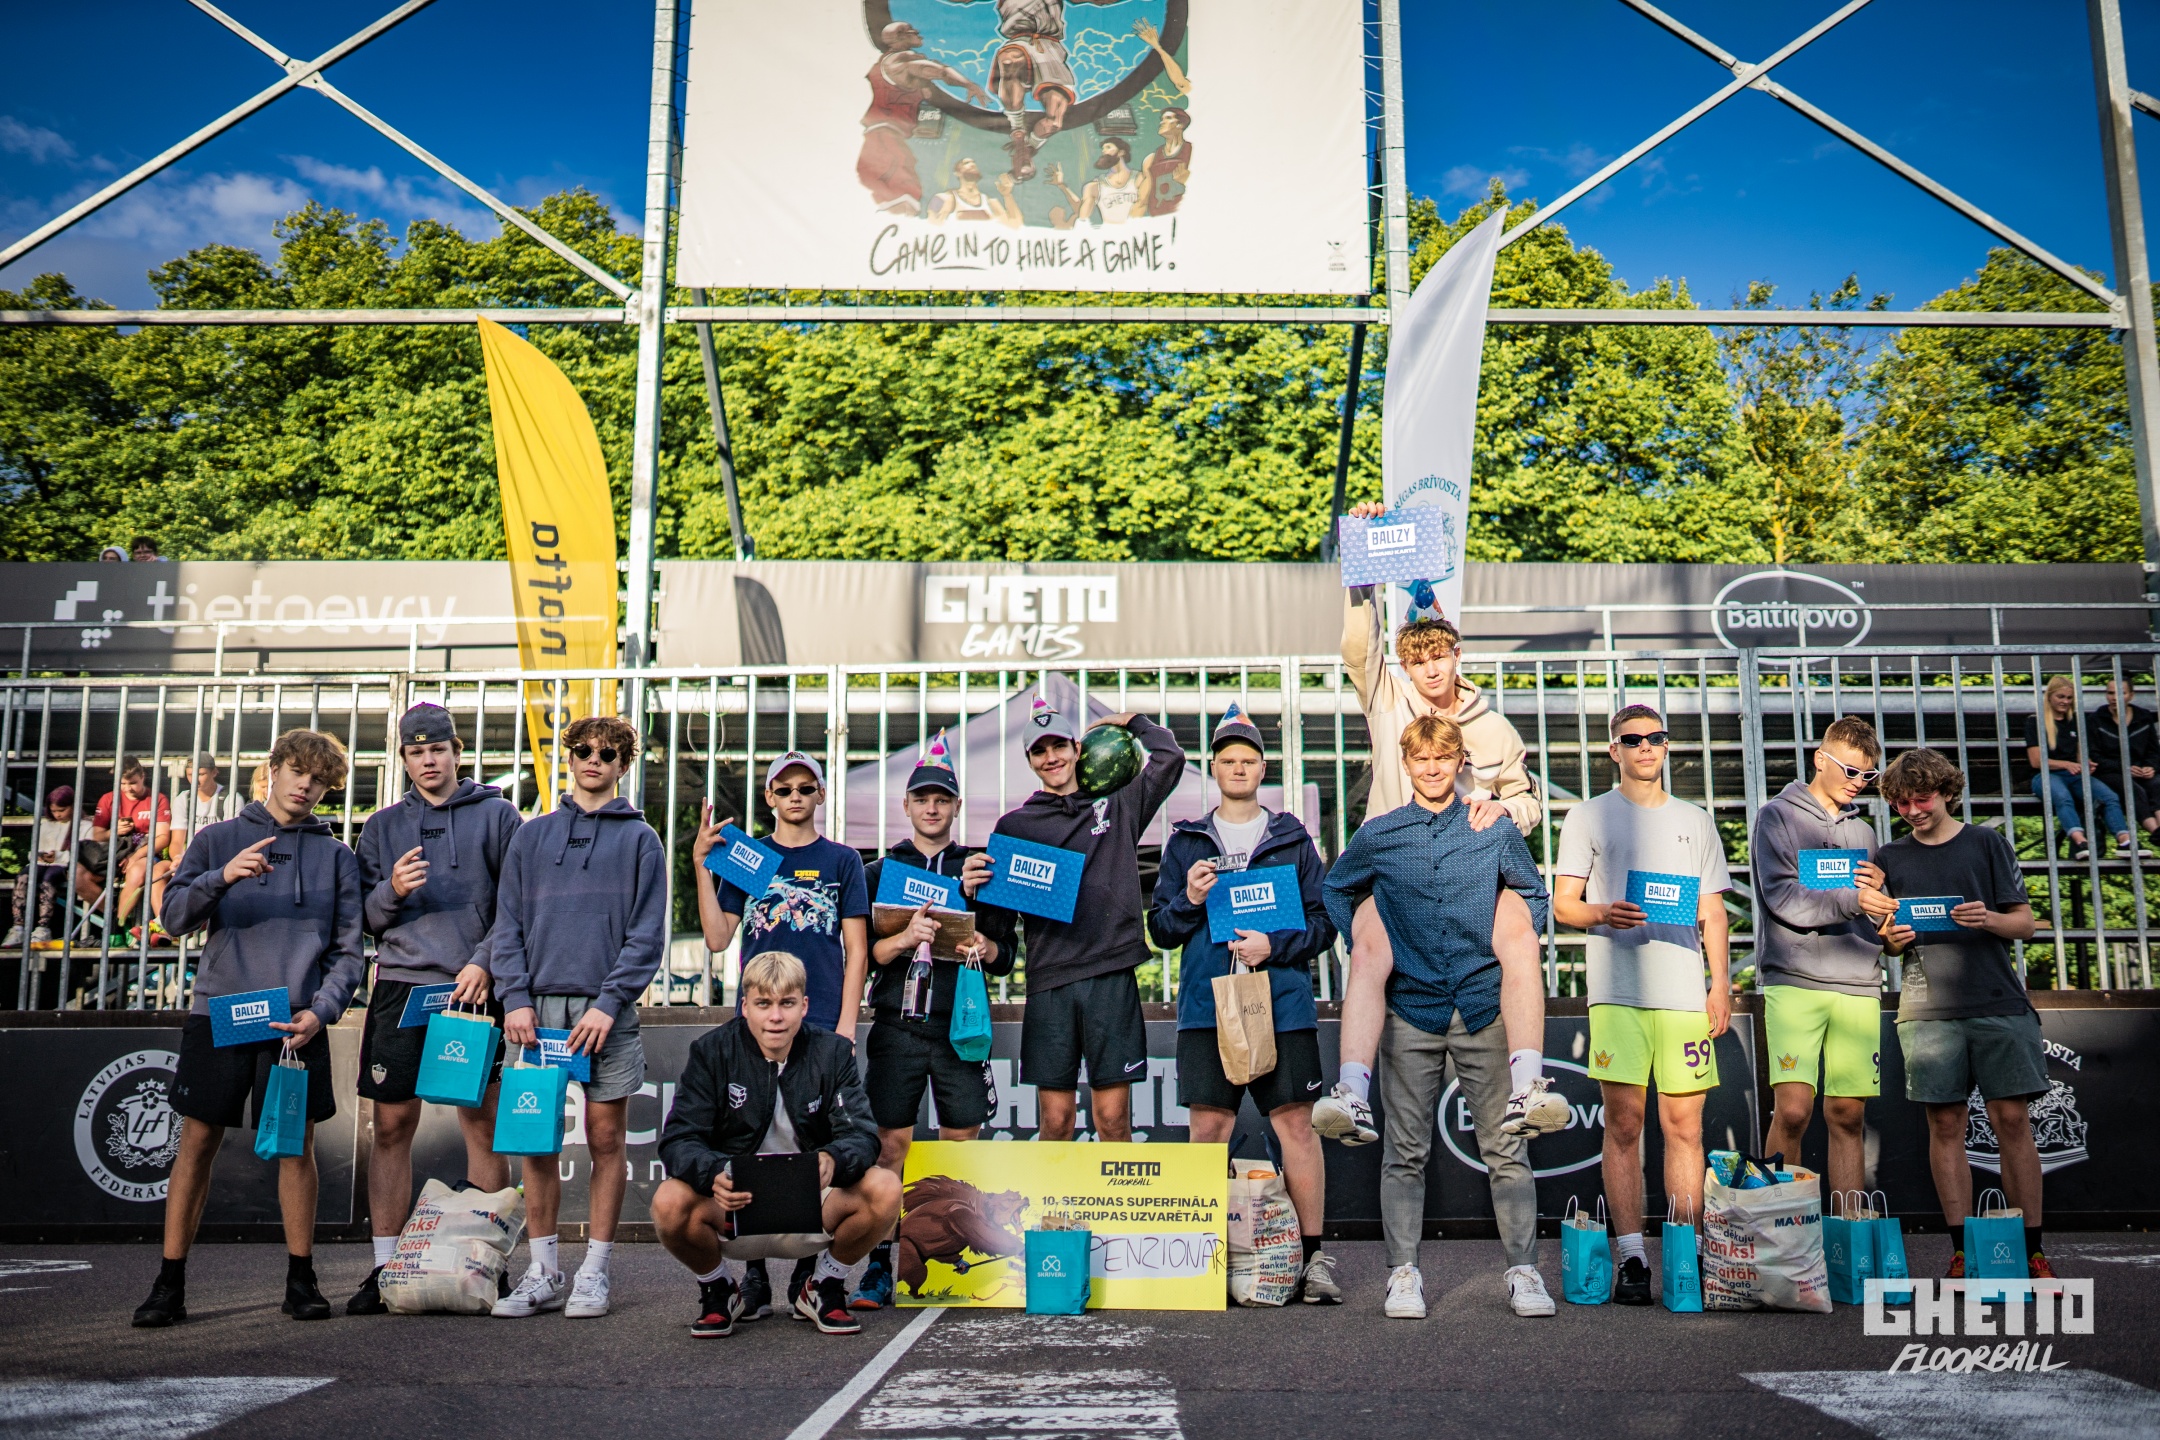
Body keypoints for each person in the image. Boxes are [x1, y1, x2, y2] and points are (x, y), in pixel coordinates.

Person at [1315, 534, 1564, 1149]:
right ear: (1405, 664)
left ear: (1457, 654)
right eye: (1417, 659)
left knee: (1520, 936)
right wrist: (1360, 576)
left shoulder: (1494, 728)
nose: (1429, 669)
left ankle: (1529, 1085)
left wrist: (1504, 808)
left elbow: (1530, 801)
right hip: (1395, 869)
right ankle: (1351, 1092)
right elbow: (1358, 646)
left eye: (1438, 656)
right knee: (1369, 949)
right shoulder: (1386, 698)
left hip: (1471, 874)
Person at [1323, 713, 1556, 1320]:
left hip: (1483, 1003)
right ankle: (1403, 1275)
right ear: (1406, 764)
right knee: (1404, 1152)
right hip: (1410, 1006)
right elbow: (1335, 889)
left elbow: (1534, 893)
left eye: (1443, 758)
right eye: (1421, 760)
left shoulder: (1490, 824)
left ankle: (1525, 1272)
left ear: (1460, 762)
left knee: (1507, 1147)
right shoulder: (1379, 833)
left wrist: (1509, 930)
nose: (1432, 769)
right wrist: (1367, 934)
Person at [133, 729, 364, 1327]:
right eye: (298, 771)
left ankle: (301, 1279)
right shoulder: (216, 839)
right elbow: (172, 918)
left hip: (294, 1022)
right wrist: (222, 877)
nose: (306, 786)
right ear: (274, 769)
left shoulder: (337, 857)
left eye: (320, 780)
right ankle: (168, 1284)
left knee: (295, 1146)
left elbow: (348, 953)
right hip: (221, 1012)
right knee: (197, 1142)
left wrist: (321, 1011)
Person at [1148, 705, 1341, 1303]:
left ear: (1262, 768)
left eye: (1248, 760)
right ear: (1214, 768)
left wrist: (1272, 946)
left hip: (1282, 1005)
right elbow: (1161, 930)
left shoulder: (1291, 837)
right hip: (1208, 1008)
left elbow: (1325, 924)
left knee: (1296, 1127)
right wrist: (1188, 898)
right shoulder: (1185, 840)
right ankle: (1202, 1259)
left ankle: (1313, 1260)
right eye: (1228, 759)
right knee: (1209, 1128)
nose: (1238, 768)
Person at [1552, 704, 1732, 1306]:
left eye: (1655, 737)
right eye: (1632, 740)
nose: (1645, 747)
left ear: (1666, 745)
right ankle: (1632, 1257)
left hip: (1682, 995)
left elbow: (1713, 912)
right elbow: (1563, 905)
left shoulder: (1695, 820)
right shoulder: (1588, 815)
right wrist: (1603, 912)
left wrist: (1720, 984)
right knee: (1625, 1125)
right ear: (1615, 750)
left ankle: (1687, 1255)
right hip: (1619, 994)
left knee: (1684, 1128)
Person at [346, 704, 524, 1316]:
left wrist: (484, 962)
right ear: (403, 758)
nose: (428, 760)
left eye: (438, 749)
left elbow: (516, 907)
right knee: (392, 1127)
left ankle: (485, 1262)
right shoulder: (381, 827)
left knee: (481, 1121)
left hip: (472, 987)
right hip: (401, 987)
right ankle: (384, 1267)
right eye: (416, 751)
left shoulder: (498, 816)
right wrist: (391, 890)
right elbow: (363, 919)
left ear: (457, 751)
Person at [490, 714, 667, 1321]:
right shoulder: (531, 836)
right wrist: (514, 998)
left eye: (609, 752)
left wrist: (608, 1004)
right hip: (535, 1013)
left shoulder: (642, 840)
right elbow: (506, 926)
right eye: (585, 749)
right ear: (569, 757)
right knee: (535, 1140)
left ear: (623, 765)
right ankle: (543, 1272)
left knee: (605, 1139)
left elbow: (647, 936)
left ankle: (595, 1270)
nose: (595, 759)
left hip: (603, 1014)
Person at [691, 748, 872, 1320]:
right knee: (751, 1135)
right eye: (785, 788)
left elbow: (857, 950)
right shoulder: (750, 856)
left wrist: (846, 1026)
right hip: (758, 1022)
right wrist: (701, 864)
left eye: (805, 787)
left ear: (821, 794)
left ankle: (806, 1274)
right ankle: (751, 1272)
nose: (796, 796)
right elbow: (718, 938)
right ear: (769, 796)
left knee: (811, 1140)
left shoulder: (842, 859)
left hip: (819, 1024)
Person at [1866, 748, 2050, 1281]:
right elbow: (1888, 942)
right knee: (1945, 1123)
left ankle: (2032, 1251)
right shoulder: (1889, 856)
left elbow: (2025, 923)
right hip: (1925, 1010)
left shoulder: (1987, 842)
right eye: (1901, 803)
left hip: (1998, 1002)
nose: (1912, 810)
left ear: (1947, 791)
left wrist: (1988, 918)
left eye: (1921, 798)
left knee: (2012, 1120)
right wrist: (1893, 939)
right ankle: (1961, 1251)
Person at [850, 729, 1015, 1310]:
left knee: (960, 1144)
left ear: (956, 806)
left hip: (959, 1028)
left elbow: (1005, 955)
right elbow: (865, 955)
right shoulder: (879, 871)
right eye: (922, 798)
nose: (932, 807)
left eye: (942, 799)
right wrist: (904, 937)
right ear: (906, 805)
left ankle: (952, 1264)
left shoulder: (979, 870)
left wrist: (980, 939)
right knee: (889, 1145)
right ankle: (881, 1263)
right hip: (896, 1024)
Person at [654, 951, 901, 1338]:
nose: (775, 1017)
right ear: (745, 1007)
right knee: (668, 1201)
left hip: (812, 1204)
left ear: (804, 1006)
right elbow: (679, 1140)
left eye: (786, 1003)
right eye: (763, 1004)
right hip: (735, 1207)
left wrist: (833, 1160)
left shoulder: (833, 1052)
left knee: (885, 1187)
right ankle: (719, 1289)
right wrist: (714, 1173)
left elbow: (862, 1135)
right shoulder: (712, 1051)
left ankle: (823, 1285)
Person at [993, 691, 1183, 1144]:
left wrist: (1131, 720)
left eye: (1059, 745)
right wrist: (973, 881)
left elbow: (1169, 759)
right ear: (1030, 761)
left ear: (1078, 749)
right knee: (1056, 1122)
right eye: (1040, 751)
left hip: (1110, 973)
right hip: (1050, 979)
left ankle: (1112, 1196)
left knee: (1113, 1120)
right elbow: (996, 920)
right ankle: (1054, 1199)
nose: (1051, 757)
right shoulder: (1014, 826)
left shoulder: (1117, 803)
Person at [1753, 715, 1888, 1206]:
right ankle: (1776, 1227)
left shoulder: (1866, 833)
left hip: (1858, 982)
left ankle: (1847, 1233)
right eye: (1851, 771)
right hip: (1794, 980)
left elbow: (1874, 911)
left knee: (1848, 1114)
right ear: (1819, 759)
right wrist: (1856, 899)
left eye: (1868, 775)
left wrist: (1888, 917)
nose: (1859, 782)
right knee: (1792, 1111)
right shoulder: (1777, 816)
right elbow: (1783, 897)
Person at [857, 21, 997, 215]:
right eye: (912, 31)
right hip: (884, 134)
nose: (919, 33)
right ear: (901, 37)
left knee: (890, 181)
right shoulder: (901, 62)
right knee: (900, 189)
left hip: (884, 132)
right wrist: (969, 85)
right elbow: (941, 72)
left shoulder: (886, 63)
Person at [2024, 675, 2128, 860]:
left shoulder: (2076, 721)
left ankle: (2125, 841)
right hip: (2046, 775)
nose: (2065, 701)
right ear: (2049, 697)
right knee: (2063, 797)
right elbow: (2036, 761)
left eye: (2069, 698)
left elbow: (2080, 756)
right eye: (2061, 697)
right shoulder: (2035, 721)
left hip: (2074, 775)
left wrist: (2086, 764)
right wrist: (2066, 764)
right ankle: (2080, 841)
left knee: (2109, 797)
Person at [86, 759, 173, 946]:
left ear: (143, 777)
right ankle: (114, 916)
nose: (127, 789)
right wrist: (114, 831)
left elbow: (162, 837)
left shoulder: (157, 799)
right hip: (114, 854)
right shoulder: (108, 799)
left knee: (137, 871)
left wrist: (135, 856)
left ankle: (117, 925)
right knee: (78, 875)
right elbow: (97, 835)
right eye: (123, 783)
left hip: (144, 853)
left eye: (132, 783)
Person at [2090, 678, 2160, 843]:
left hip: (2141, 769)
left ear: (2131, 695)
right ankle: (2155, 831)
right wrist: (2124, 768)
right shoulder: (2096, 719)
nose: (2115, 698)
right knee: (2132, 788)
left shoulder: (2143, 717)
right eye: (2110, 693)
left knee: (2157, 783)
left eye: (2121, 693)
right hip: (2110, 772)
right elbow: (2095, 756)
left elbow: (2154, 751)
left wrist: (2151, 767)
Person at [7, 785, 78, 946]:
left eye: (62, 810)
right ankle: (18, 927)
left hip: (63, 865)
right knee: (23, 876)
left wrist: (58, 856)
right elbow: (32, 851)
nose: (58, 814)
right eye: (54, 811)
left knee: (49, 878)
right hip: (41, 863)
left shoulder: (82, 825)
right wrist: (40, 855)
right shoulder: (45, 824)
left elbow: (84, 852)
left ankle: (43, 927)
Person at [1048, 139, 1141, 228]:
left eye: (1108, 147)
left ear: (1121, 152)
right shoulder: (1095, 186)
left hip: (1138, 233)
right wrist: (1062, 185)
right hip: (1111, 235)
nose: (1103, 151)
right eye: (1103, 149)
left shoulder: (1139, 178)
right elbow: (1082, 216)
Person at [1134, 106, 1192, 217]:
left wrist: (1183, 183)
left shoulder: (1191, 151)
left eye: (1168, 118)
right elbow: (1142, 201)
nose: (1162, 122)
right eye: (1162, 119)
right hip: (1157, 219)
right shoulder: (1151, 159)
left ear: (1180, 124)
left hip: (1184, 218)